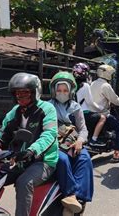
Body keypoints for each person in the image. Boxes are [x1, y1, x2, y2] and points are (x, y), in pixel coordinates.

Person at [0, 73, 58, 216]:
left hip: (43, 161)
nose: (21, 96)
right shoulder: (14, 112)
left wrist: (32, 150)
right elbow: (1, 136)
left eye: (25, 92)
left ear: (35, 92)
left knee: (23, 182)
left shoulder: (47, 109)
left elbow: (49, 134)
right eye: (18, 93)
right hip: (17, 160)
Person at [48, 71, 94, 215]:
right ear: (54, 91)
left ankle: (79, 201)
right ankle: (71, 195)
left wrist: (80, 141)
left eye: (65, 90)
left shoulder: (75, 107)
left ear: (71, 91)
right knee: (62, 159)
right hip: (53, 142)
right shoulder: (47, 107)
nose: (62, 93)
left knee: (85, 158)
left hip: (72, 141)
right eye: (59, 90)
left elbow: (83, 129)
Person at [90, 64, 119, 162]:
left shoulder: (92, 83)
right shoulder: (105, 85)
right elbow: (115, 100)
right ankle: (117, 153)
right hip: (103, 113)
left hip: (91, 112)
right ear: (106, 74)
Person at [73, 63, 107, 148]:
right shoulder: (85, 85)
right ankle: (93, 140)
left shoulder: (71, 84)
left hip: (72, 114)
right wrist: (101, 108)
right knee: (102, 118)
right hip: (83, 114)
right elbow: (90, 103)